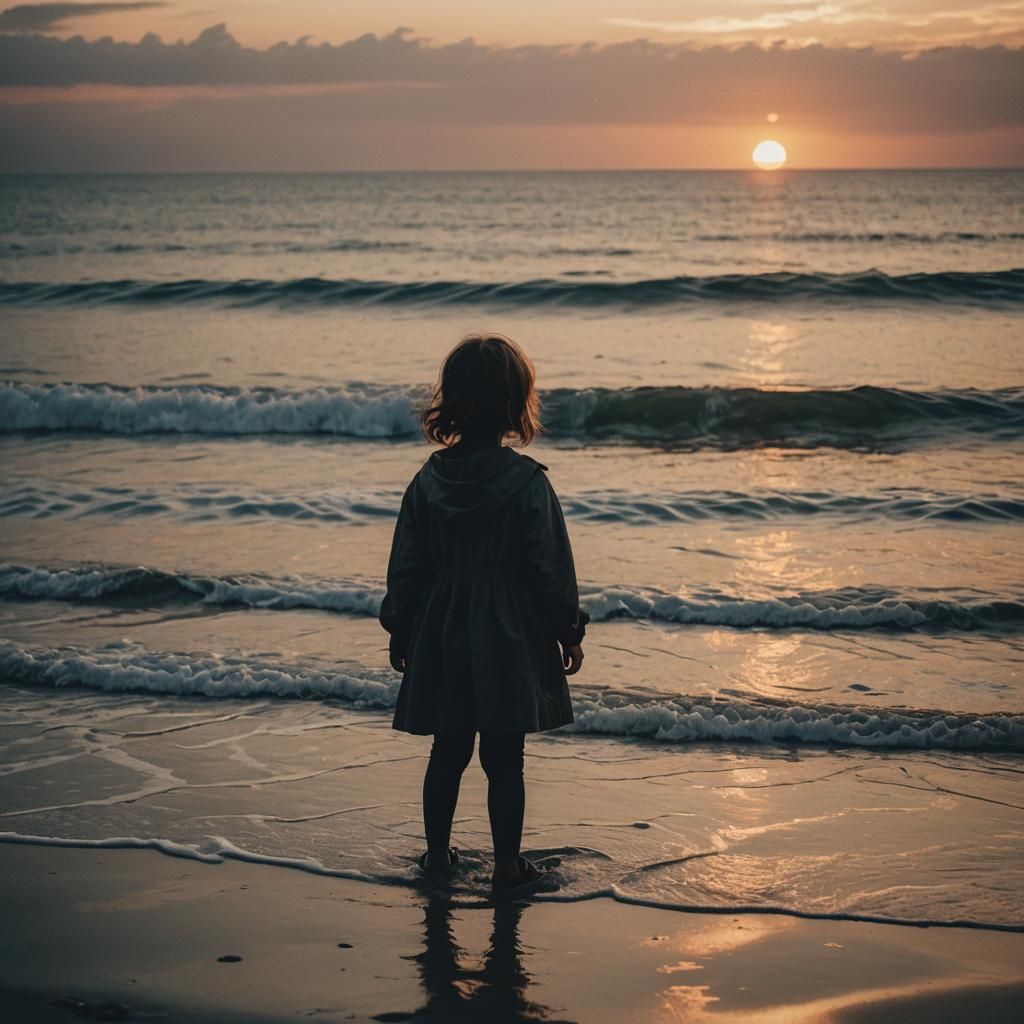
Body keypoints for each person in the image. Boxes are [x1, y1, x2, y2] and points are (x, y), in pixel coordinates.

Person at [379, 332, 589, 896]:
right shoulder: (527, 482)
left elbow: (406, 565)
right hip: (508, 634)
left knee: (447, 749)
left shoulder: (428, 480)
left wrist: (400, 625)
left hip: (441, 629)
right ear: (515, 405)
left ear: (450, 401)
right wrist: (567, 629)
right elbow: (550, 568)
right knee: (504, 755)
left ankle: (437, 856)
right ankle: (505, 864)